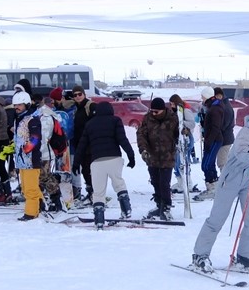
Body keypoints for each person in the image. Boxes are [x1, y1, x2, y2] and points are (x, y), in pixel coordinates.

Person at [191, 99, 249, 274]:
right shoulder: (246, 132)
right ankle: (200, 256)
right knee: (217, 219)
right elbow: (241, 150)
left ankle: (246, 256)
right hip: (230, 179)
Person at [76, 99, 137, 227]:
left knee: (98, 191)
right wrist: (131, 156)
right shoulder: (115, 121)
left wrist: (76, 163)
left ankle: (99, 220)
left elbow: (82, 145)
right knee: (119, 183)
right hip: (114, 158)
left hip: (97, 161)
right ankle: (126, 210)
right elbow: (123, 139)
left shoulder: (90, 124)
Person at [137, 97, 180, 220]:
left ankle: (166, 208)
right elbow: (141, 135)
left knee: (164, 183)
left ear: (163, 110)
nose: (153, 113)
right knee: (155, 182)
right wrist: (143, 150)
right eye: (152, 111)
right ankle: (159, 205)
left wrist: (184, 132)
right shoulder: (148, 118)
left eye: (156, 112)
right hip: (152, 157)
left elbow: (179, 133)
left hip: (167, 156)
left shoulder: (173, 118)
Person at [10, 90, 46, 219]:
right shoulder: (20, 119)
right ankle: (40, 203)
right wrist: (13, 148)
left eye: (19, 105)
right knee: (26, 187)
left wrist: (25, 149)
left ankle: (31, 213)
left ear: (26, 104)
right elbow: (20, 137)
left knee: (30, 189)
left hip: (31, 160)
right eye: (15, 105)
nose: (16, 108)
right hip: (22, 160)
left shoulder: (32, 119)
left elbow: (36, 138)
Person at [196, 86, 223, 198]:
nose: (202, 98)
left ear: (207, 96)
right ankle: (213, 185)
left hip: (214, 140)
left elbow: (216, 127)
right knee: (207, 164)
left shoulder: (215, 108)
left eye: (203, 96)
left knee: (206, 165)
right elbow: (209, 124)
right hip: (211, 139)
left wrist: (209, 142)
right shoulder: (211, 107)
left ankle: (212, 187)